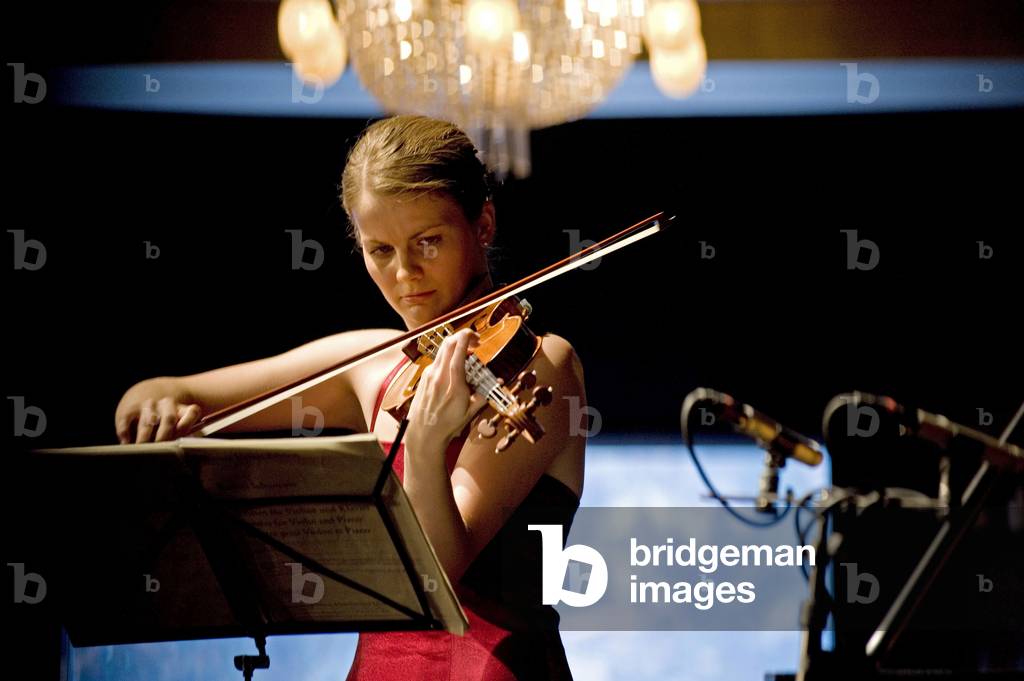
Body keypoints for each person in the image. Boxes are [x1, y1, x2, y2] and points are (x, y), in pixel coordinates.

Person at [114, 114, 586, 680]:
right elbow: (170, 391)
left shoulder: (540, 364)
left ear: (482, 222)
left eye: (427, 242)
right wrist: (153, 402)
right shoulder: (376, 365)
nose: (405, 273)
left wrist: (428, 444)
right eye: (379, 250)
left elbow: (437, 570)